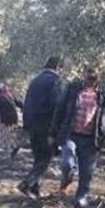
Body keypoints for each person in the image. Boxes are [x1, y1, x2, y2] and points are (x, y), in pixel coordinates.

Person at [54, 67, 105, 208]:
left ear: (98, 79)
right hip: (70, 135)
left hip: (91, 140)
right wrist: (52, 132)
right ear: (83, 76)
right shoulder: (73, 90)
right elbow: (60, 110)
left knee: (87, 174)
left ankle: (79, 205)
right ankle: (66, 181)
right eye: (88, 77)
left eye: (93, 78)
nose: (90, 80)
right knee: (67, 163)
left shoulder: (104, 95)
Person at [20, 56, 66, 196]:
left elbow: (27, 103)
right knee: (45, 158)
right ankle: (27, 183)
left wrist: (26, 125)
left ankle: (35, 189)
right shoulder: (56, 82)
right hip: (46, 126)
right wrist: (58, 129)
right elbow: (57, 105)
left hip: (32, 125)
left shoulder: (35, 81)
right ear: (58, 67)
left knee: (38, 157)